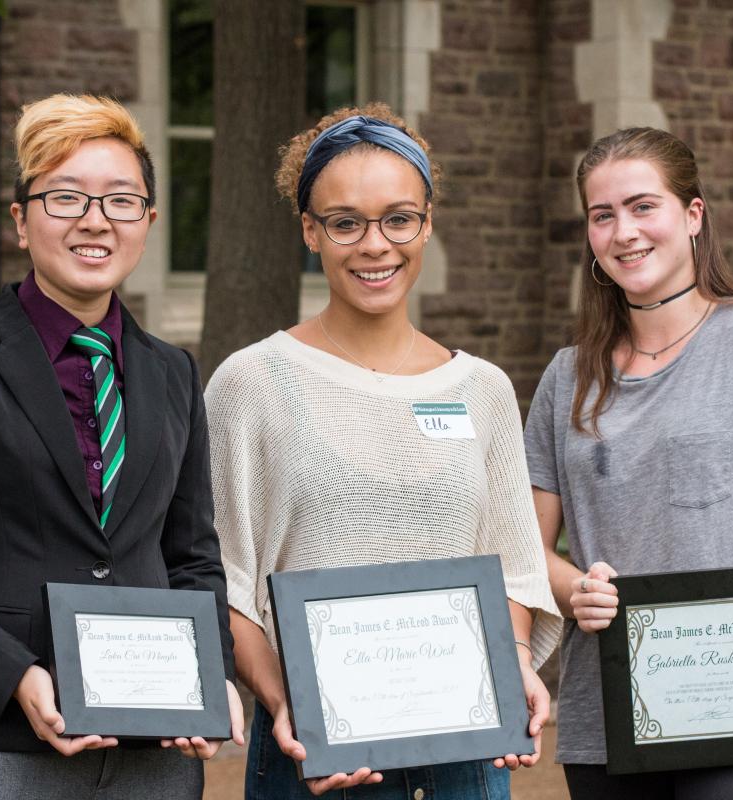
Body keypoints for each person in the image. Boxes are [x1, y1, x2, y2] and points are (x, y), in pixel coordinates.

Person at [0, 93, 244, 800]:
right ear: (22, 222)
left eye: (121, 201)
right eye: (65, 198)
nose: (95, 221)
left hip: (152, 760)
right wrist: (14, 676)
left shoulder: (174, 372)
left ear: (148, 223)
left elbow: (193, 557)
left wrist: (209, 675)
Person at [204, 103, 563, 799]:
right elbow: (224, 581)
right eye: (346, 222)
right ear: (310, 230)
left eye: (400, 218)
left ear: (427, 223)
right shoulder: (250, 384)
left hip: (468, 759)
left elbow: (516, 571)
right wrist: (288, 706)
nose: (377, 245)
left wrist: (515, 657)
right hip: (313, 755)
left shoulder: (482, 390)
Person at [523, 127, 733, 799]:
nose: (624, 231)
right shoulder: (566, 378)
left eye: (643, 206)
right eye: (603, 215)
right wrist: (573, 589)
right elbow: (527, 550)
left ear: (693, 215)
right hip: (610, 710)